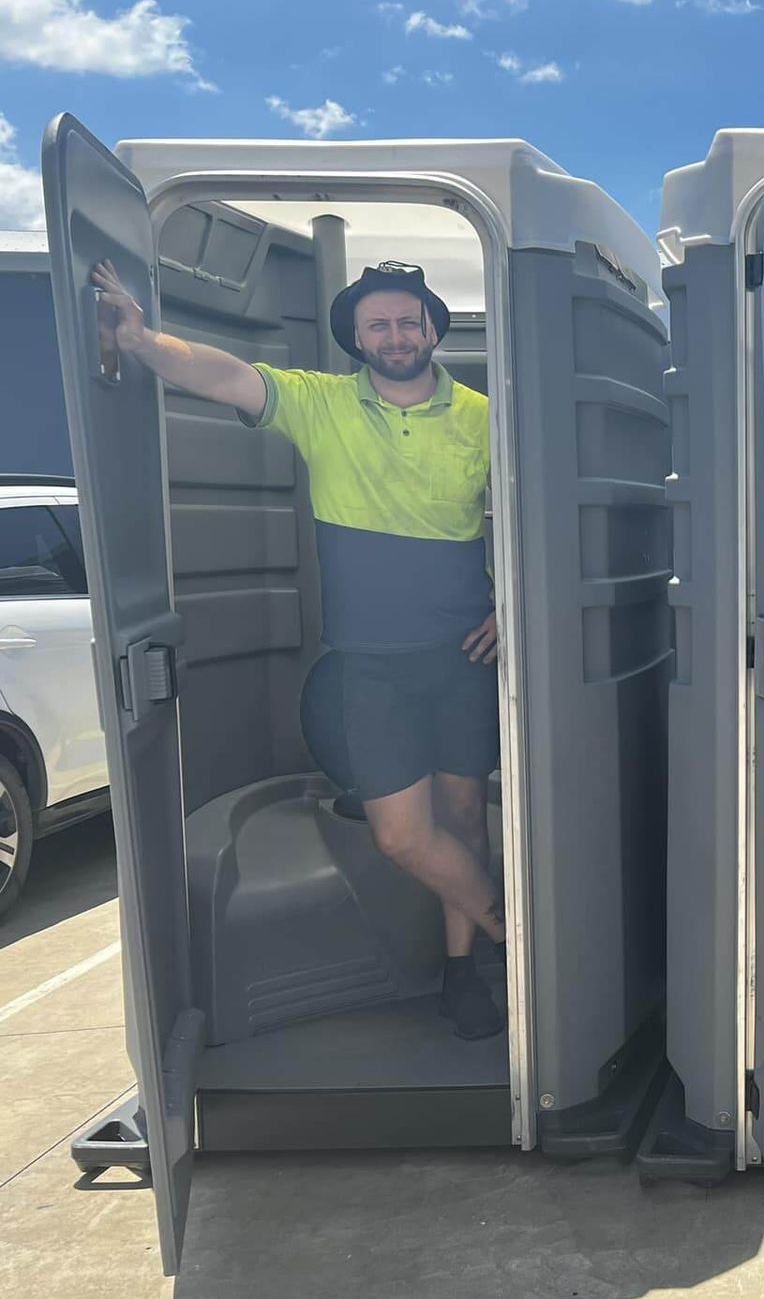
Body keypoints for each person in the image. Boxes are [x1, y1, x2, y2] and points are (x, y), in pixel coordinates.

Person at [91, 258, 509, 1040]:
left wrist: (513, 607)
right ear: (356, 336)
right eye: (378, 324)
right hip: (369, 664)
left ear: (432, 329)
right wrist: (143, 341)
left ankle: (463, 978)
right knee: (402, 834)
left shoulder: (484, 415)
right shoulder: (319, 404)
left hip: (462, 659)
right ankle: (506, 935)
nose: (395, 335)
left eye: (408, 321)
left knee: (465, 817)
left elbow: (530, 513)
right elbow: (224, 376)